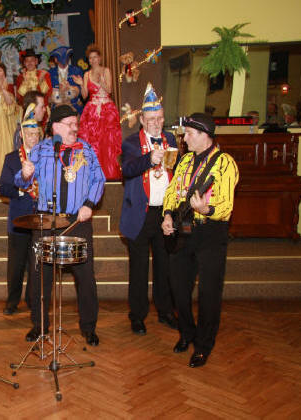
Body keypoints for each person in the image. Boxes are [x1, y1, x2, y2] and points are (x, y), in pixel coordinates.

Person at [15, 104, 105, 346]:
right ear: (55, 127)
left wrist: (89, 204)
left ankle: (89, 327)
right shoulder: (40, 150)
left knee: (85, 277)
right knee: (40, 277)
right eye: (70, 124)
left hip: (78, 221)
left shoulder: (86, 149)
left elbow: (99, 178)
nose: (75, 128)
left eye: (76, 124)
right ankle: (39, 326)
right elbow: (21, 181)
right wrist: (25, 174)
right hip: (46, 221)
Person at [162, 112, 239, 368]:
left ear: (204, 135)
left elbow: (226, 205)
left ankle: (204, 345)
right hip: (184, 231)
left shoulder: (225, 163)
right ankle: (187, 333)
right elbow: (172, 191)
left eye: (189, 134)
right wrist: (167, 215)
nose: (184, 139)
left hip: (211, 233)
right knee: (178, 287)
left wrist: (207, 209)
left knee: (209, 293)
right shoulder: (184, 160)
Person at [120, 82, 178, 336]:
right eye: (151, 119)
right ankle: (137, 316)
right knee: (139, 268)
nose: (156, 123)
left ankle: (165, 312)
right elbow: (127, 170)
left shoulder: (171, 139)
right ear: (142, 120)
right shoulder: (131, 143)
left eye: (160, 118)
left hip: (165, 213)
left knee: (165, 266)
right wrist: (149, 159)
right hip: (140, 214)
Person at [0, 109, 41, 315]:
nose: (34, 138)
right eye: (30, 134)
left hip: (40, 218)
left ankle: (33, 300)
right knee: (16, 265)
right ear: (22, 135)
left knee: (36, 264)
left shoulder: (46, 157)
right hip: (18, 219)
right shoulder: (11, 159)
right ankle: (12, 302)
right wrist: (23, 189)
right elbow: (4, 189)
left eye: (36, 134)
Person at [74, 44, 123, 181]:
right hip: (92, 112)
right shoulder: (86, 74)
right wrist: (81, 84)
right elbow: (84, 96)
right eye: (90, 58)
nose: (93, 60)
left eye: (95, 57)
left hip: (107, 111)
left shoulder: (106, 71)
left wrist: (101, 82)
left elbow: (109, 90)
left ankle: (110, 174)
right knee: (92, 142)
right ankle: (93, 175)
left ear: (100, 58)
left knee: (107, 142)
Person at [48, 46, 83, 113]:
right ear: (55, 59)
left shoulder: (76, 71)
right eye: (61, 61)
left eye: (66, 60)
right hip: (57, 110)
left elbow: (82, 92)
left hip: (74, 108)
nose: (63, 63)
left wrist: (71, 88)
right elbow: (48, 94)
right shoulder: (50, 73)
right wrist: (58, 90)